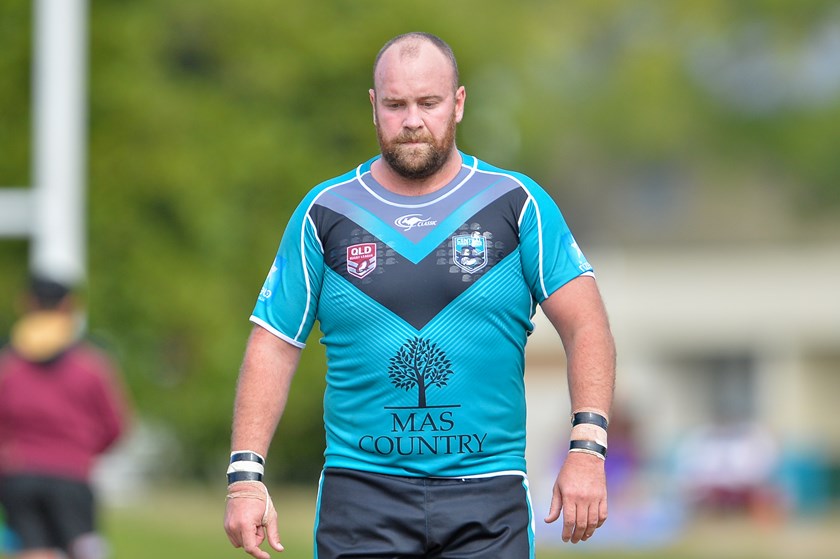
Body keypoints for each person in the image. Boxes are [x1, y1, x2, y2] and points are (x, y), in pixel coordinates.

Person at [224, 31, 616, 559]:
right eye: (395, 104)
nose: (412, 120)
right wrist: (245, 478)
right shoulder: (326, 212)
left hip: (488, 495)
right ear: (373, 106)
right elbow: (273, 343)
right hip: (361, 497)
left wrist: (587, 450)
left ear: (458, 104)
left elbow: (586, 325)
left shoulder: (516, 204)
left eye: (428, 102)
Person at [0, 276, 129, 559]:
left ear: (27, 304)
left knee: (32, 550)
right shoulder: (91, 366)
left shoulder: (9, 365)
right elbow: (116, 426)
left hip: (19, 474)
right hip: (72, 476)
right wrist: (82, 451)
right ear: (68, 306)